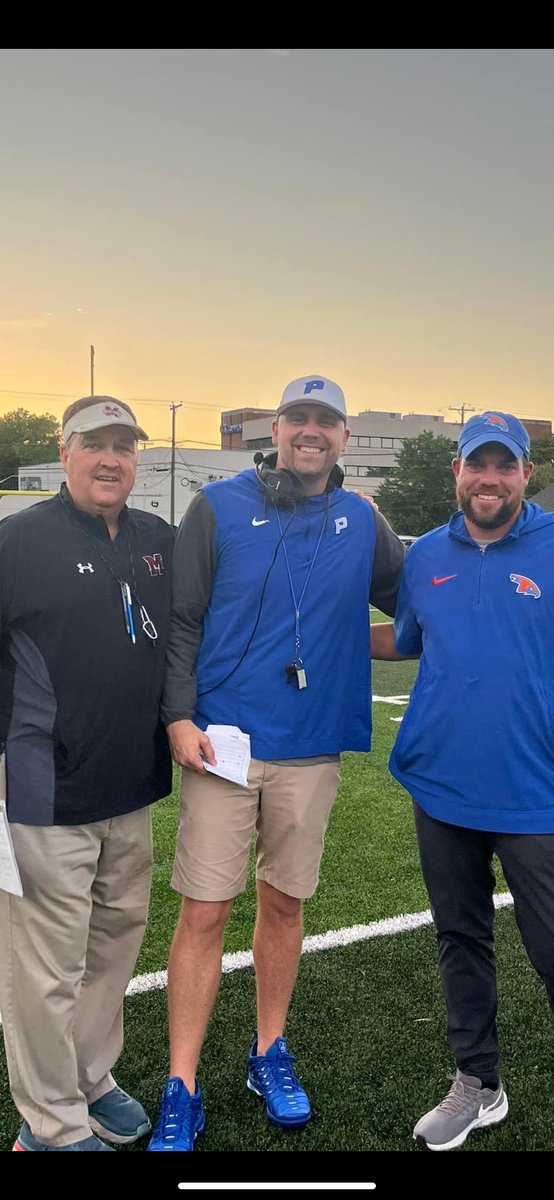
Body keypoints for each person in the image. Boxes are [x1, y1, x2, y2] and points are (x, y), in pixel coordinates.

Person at [148, 374, 405, 1151]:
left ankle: (268, 1053)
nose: (311, 432)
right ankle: (181, 1083)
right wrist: (177, 714)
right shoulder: (219, 505)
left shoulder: (363, 519)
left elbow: (418, 606)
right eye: (299, 418)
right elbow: (181, 616)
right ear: (279, 426)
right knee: (204, 910)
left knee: (285, 905)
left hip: (311, 748)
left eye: (326, 422)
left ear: (344, 437)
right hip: (223, 746)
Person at [0, 395, 174, 1152]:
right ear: (64, 454)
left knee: (113, 946)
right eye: (93, 444)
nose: (110, 459)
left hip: (130, 787)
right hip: (45, 789)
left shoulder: (155, 537)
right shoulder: (18, 541)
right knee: (46, 968)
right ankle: (51, 1122)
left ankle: (91, 1079)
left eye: (123, 446)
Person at [387, 410, 554, 1151]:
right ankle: (478, 1084)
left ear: (525, 474)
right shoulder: (425, 555)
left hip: (535, 793)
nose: (489, 479)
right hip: (442, 787)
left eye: (504, 465)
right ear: (457, 469)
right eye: (476, 464)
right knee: (460, 937)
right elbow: (403, 641)